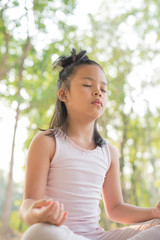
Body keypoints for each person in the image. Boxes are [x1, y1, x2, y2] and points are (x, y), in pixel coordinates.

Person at [20, 48, 160, 240]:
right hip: (60, 234)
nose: (98, 92)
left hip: (98, 237)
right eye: (87, 85)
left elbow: (116, 209)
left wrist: (153, 213)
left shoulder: (109, 152)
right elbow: (29, 202)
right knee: (37, 233)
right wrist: (37, 214)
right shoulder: (47, 142)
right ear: (63, 94)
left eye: (103, 89)